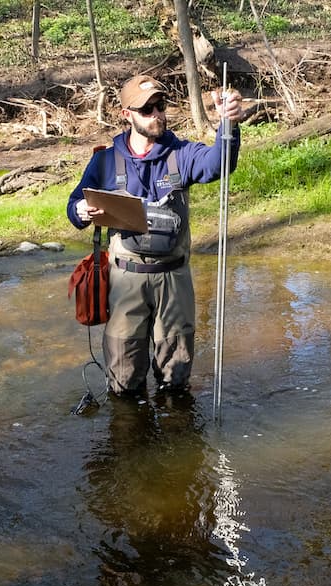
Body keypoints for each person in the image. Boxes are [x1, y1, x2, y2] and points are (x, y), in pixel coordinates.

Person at [67, 74, 243, 396]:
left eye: (160, 106)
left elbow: (219, 164)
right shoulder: (104, 160)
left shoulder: (182, 154)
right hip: (125, 281)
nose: (157, 114)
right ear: (127, 115)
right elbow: (74, 205)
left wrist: (227, 126)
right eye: (147, 109)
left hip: (173, 280)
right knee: (123, 381)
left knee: (176, 381)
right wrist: (80, 210)